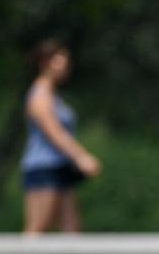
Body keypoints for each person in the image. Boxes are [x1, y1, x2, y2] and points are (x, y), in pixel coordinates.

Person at [20, 40, 101, 234]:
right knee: (39, 227)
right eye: (60, 63)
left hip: (61, 167)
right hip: (43, 167)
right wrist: (81, 157)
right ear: (44, 63)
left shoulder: (54, 95)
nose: (66, 68)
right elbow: (54, 133)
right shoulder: (39, 95)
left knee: (72, 228)